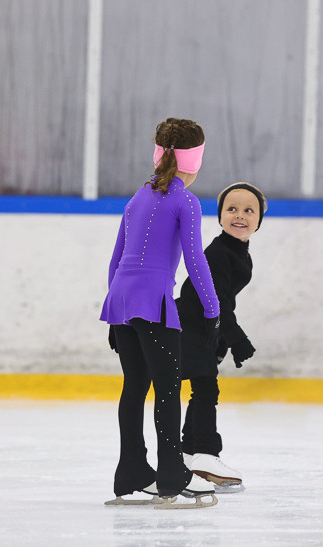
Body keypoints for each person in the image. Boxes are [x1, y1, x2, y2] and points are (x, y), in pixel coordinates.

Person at [100, 118, 220, 509]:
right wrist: (212, 308)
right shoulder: (185, 200)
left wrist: (115, 308)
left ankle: (132, 472)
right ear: (194, 161)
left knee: (134, 388)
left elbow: (117, 257)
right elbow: (195, 258)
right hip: (153, 303)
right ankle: (172, 475)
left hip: (121, 300)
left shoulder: (138, 196)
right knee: (167, 390)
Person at [176, 182, 267, 493]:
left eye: (248, 210)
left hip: (201, 329)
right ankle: (202, 453)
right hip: (187, 325)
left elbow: (224, 299)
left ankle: (190, 454)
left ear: (259, 219)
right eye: (232, 209)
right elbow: (217, 301)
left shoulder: (236, 252)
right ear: (219, 217)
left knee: (203, 388)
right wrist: (236, 338)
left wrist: (222, 340)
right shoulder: (218, 253)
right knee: (205, 389)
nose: (239, 216)